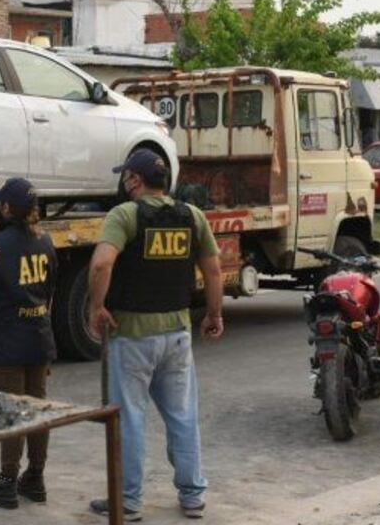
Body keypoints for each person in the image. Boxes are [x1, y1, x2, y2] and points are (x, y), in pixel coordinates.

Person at [86, 149, 225, 522]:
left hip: (131, 335)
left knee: (129, 418)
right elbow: (213, 271)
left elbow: (101, 263)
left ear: (134, 180)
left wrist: (95, 307)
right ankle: (193, 496)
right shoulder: (192, 216)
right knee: (182, 415)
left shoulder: (125, 215)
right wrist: (213, 314)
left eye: (126, 177)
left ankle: (128, 501)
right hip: (177, 333)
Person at [0, 178, 58, 510]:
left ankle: (5, 482)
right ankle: (35, 477)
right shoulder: (46, 242)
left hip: (6, 343)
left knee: (10, 412)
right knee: (37, 408)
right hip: (38, 337)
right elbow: (50, 291)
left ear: (5, 209)